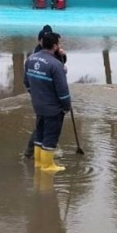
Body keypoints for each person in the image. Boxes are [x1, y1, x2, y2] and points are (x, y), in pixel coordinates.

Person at [25, 32, 72, 171]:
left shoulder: (30, 59)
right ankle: (47, 165)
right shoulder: (56, 65)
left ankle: (38, 163)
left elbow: (26, 83)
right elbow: (62, 91)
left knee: (39, 134)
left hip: (38, 105)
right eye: (59, 44)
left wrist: (36, 96)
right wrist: (66, 106)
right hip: (53, 108)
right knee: (50, 136)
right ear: (55, 45)